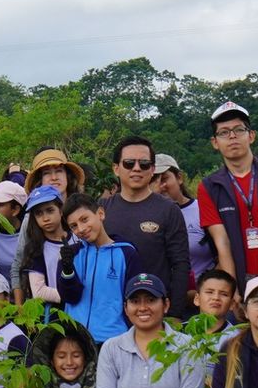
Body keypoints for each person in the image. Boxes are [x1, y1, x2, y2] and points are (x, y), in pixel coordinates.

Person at [197, 102, 258, 288]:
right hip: (240, 278)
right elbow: (222, 242)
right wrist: (232, 288)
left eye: (239, 130)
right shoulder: (209, 187)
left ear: (251, 135)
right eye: (224, 132)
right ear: (215, 142)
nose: (232, 136)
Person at [101, 136, 192, 310]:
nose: (136, 168)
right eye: (129, 163)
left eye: (143, 164)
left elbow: (181, 265)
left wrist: (175, 313)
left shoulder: (169, 210)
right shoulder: (102, 209)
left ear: (152, 169)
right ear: (116, 168)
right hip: (109, 313)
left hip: (152, 310)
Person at [57, 193, 142, 343]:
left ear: (100, 214)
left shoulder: (127, 253)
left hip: (114, 339)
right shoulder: (71, 254)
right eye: (73, 226)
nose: (81, 229)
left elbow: (135, 300)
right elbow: (70, 298)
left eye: (84, 219)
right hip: (76, 340)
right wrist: (67, 270)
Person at [154, 155, 212, 292]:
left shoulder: (202, 210)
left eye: (164, 179)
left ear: (179, 178)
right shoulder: (145, 215)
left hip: (200, 297)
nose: (160, 186)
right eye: (153, 180)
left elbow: (223, 253)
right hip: (158, 298)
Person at [10, 185, 70, 305]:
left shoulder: (78, 239)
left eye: (50, 210)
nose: (45, 218)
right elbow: (39, 291)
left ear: (61, 210)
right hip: (53, 314)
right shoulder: (36, 249)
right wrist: (71, 296)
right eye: (39, 213)